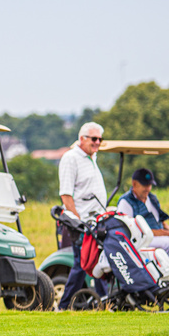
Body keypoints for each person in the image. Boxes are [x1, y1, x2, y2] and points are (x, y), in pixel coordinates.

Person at [57, 122, 108, 310]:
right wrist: (78, 222)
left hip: (96, 221)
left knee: (99, 262)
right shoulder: (71, 158)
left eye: (100, 140)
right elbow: (66, 195)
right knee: (82, 264)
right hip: (81, 223)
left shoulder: (92, 157)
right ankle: (63, 305)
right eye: (94, 139)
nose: (97, 143)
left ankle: (105, 301)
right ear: (82, 139)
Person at [116, 168, 169, 272]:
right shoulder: (126, 203)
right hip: (142, 241)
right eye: (144, 185)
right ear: (134, 184)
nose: (148, 188)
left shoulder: (152, 198)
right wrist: (166, 233)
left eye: (149, 185)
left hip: (163, 236)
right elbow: (133, 231)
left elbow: (161, 221)